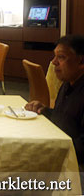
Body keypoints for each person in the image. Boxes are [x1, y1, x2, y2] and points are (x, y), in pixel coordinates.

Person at [25, 35, 84, 169]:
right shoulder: (67, 84)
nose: (53, 62)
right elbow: (67, 119)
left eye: (61, 57)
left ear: (81, 61)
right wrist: (44, 110)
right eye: (54, 56)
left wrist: (49, 152)